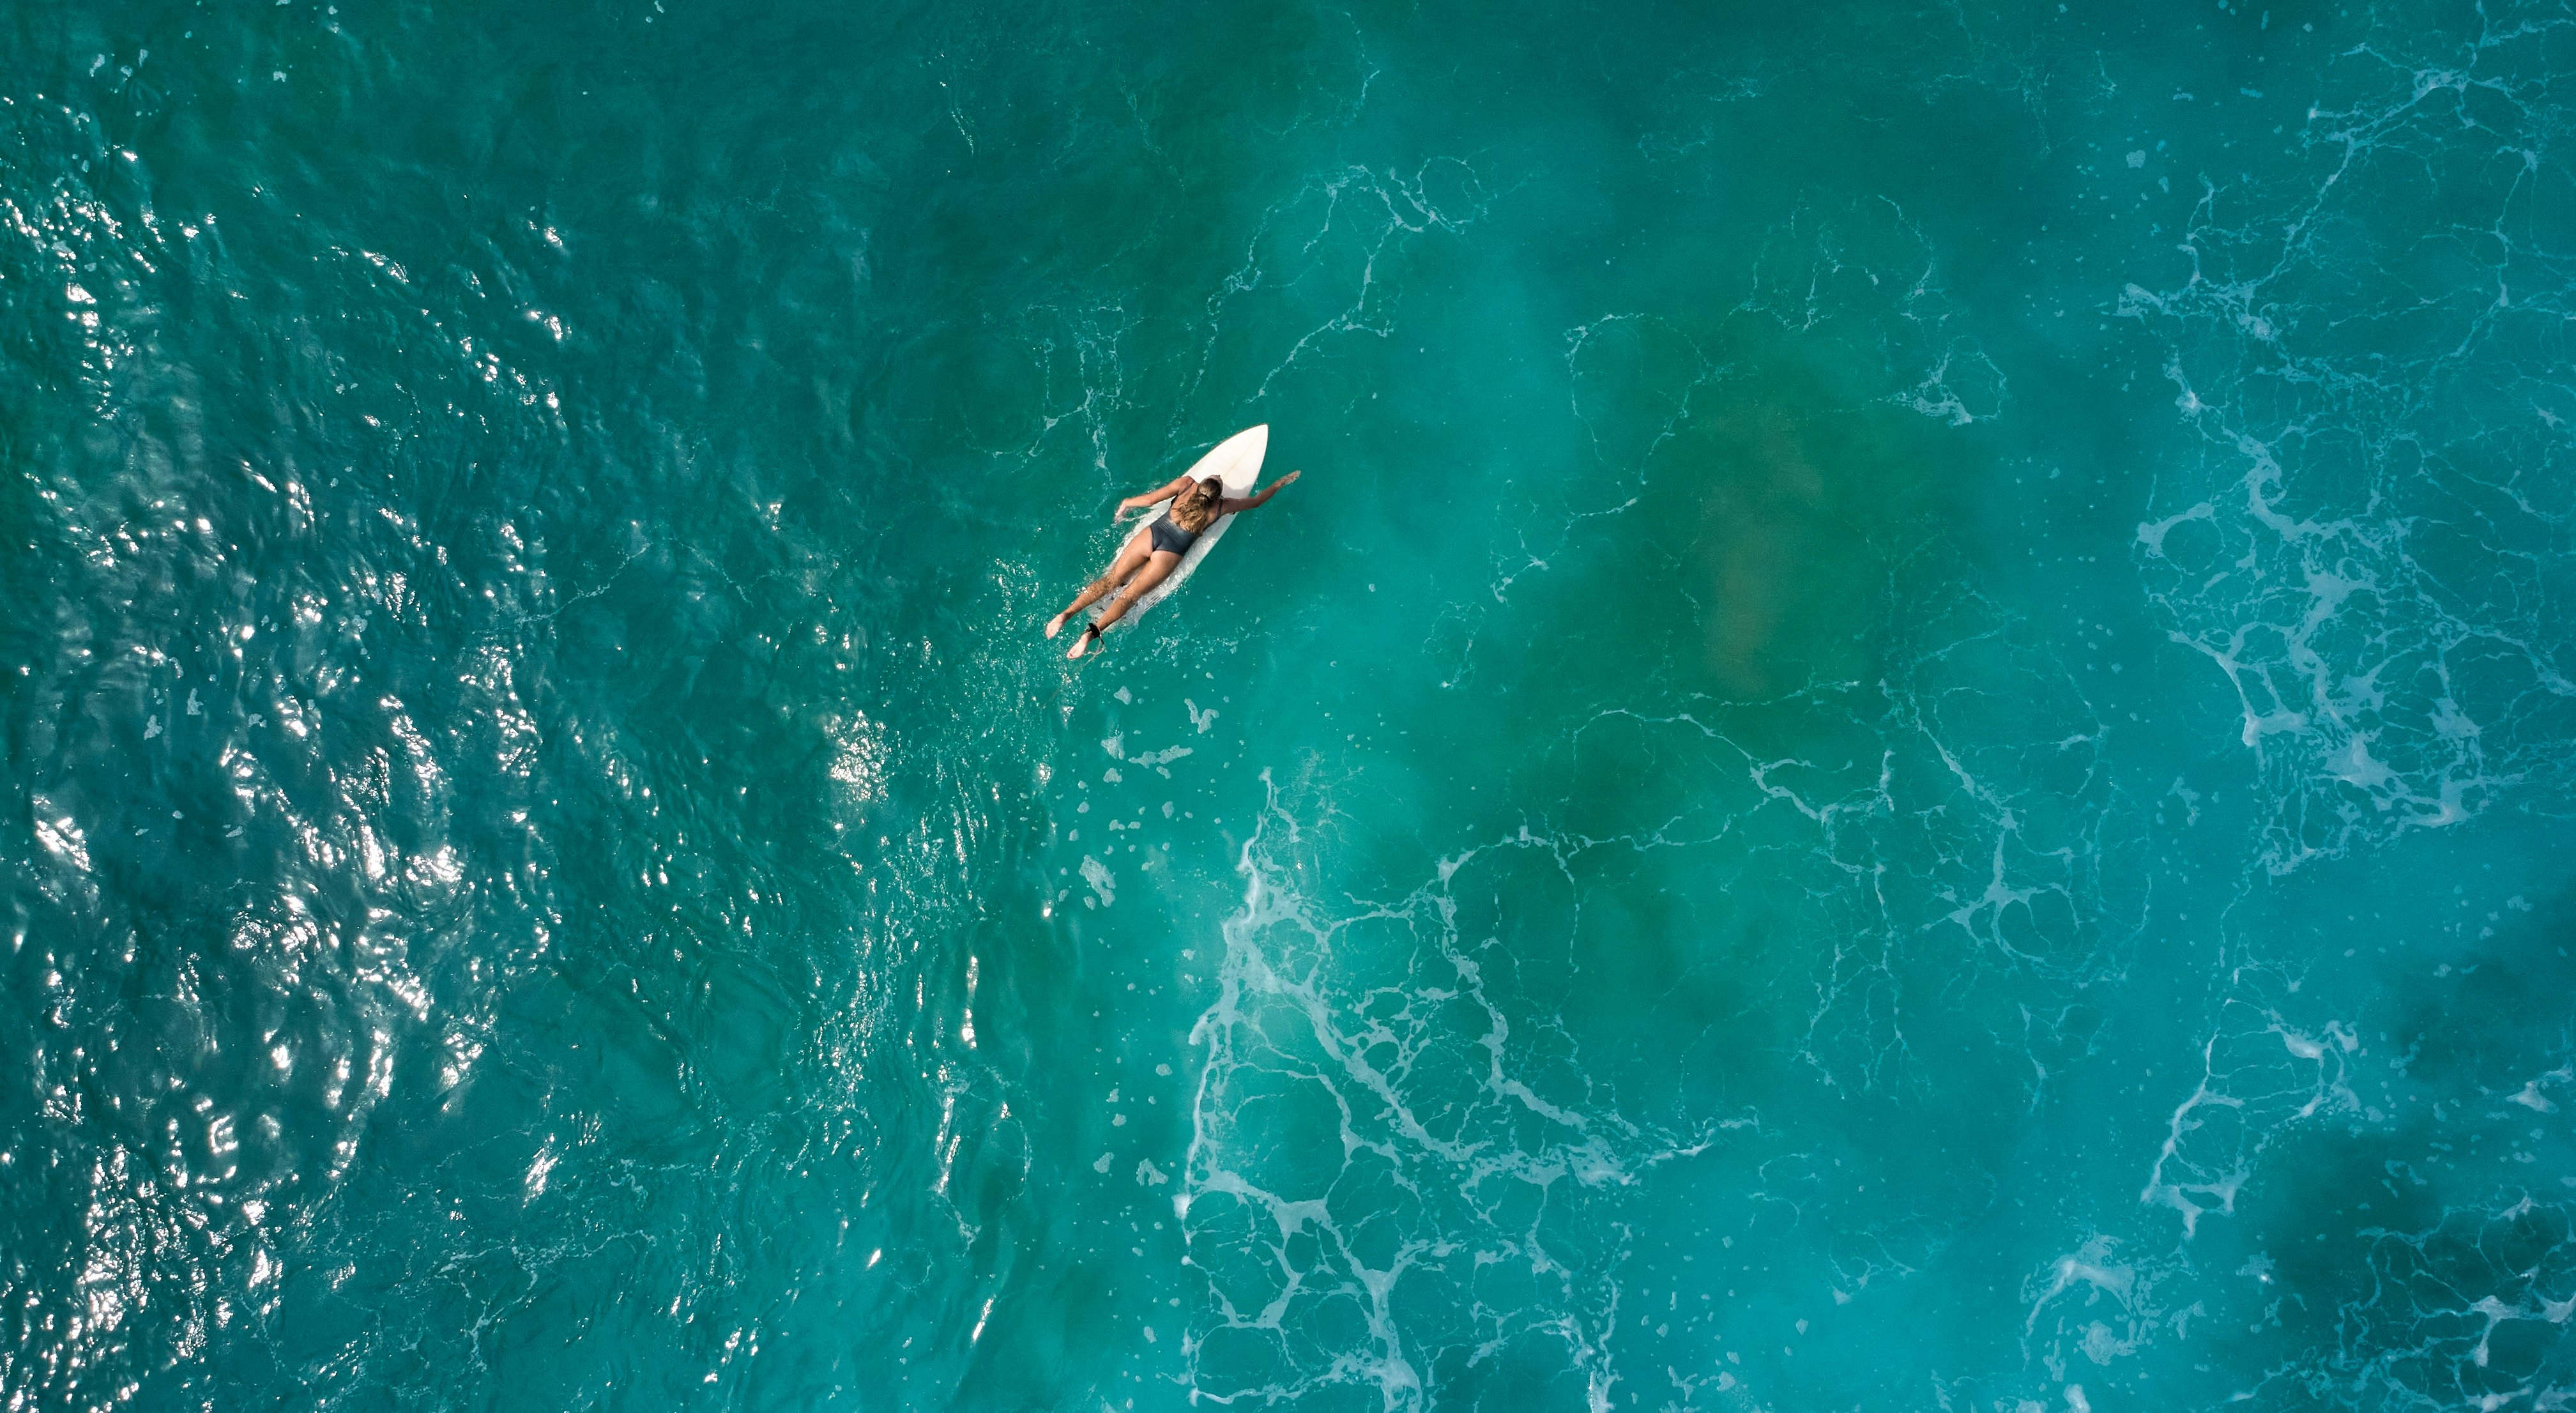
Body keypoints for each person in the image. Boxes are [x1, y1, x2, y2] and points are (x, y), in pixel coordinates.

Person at [1046, 468, 1302, 658]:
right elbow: (1256, 502)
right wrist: (1280, 482)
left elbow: (1149, 500)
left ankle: (1065, 615)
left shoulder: (1186, 485)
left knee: (1112, 580)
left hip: (1151, 536)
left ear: (1201, 485)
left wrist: (1126, 504)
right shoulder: (1222, 507)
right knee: (1129, 596)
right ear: (1216, 497)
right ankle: (1089, 635)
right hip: (1169, 553)